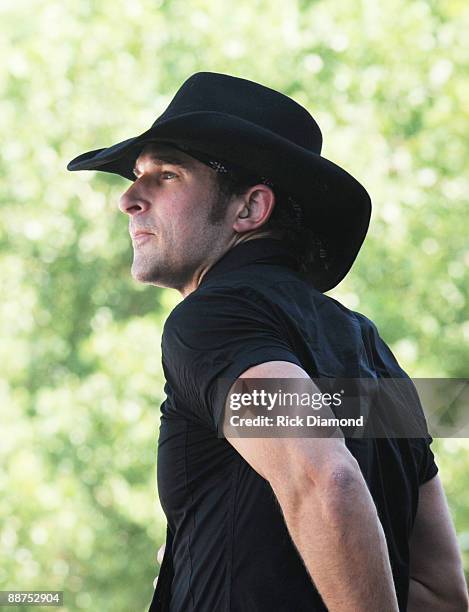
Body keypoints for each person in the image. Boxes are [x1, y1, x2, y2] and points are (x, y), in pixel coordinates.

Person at [67, 72, 468, 611]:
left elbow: (325, 480)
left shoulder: (212, 318)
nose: (129, 199)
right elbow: (439, 595)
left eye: (165, 175)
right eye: (137, 177)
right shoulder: (375, 355)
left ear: (249, 210)